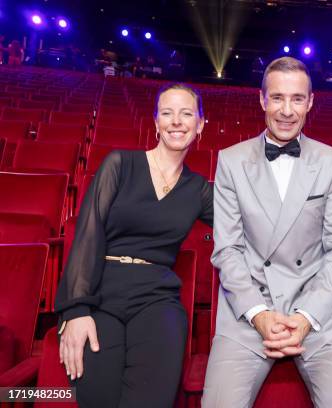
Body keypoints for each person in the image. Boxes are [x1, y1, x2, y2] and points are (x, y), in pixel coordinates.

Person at [203, 56, 332, 408]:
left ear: (310, 102)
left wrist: (306, 317)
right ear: (262, 100)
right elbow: (227, 250)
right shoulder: (231, 160)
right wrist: (258, 314)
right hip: (248, 311)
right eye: (277, 98)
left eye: (297, 99)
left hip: (318, 311)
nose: (287, 110)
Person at [55, 83, 214, 408]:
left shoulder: (198, 188)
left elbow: (246, 225)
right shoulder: (120, 164)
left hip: (157, 300)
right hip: (101, 295)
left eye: (186, 114)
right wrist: (77, 310)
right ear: (155, 122)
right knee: (99, 398)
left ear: (200, 125)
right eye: (167, 113)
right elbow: (88, 233)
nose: (176, 122)